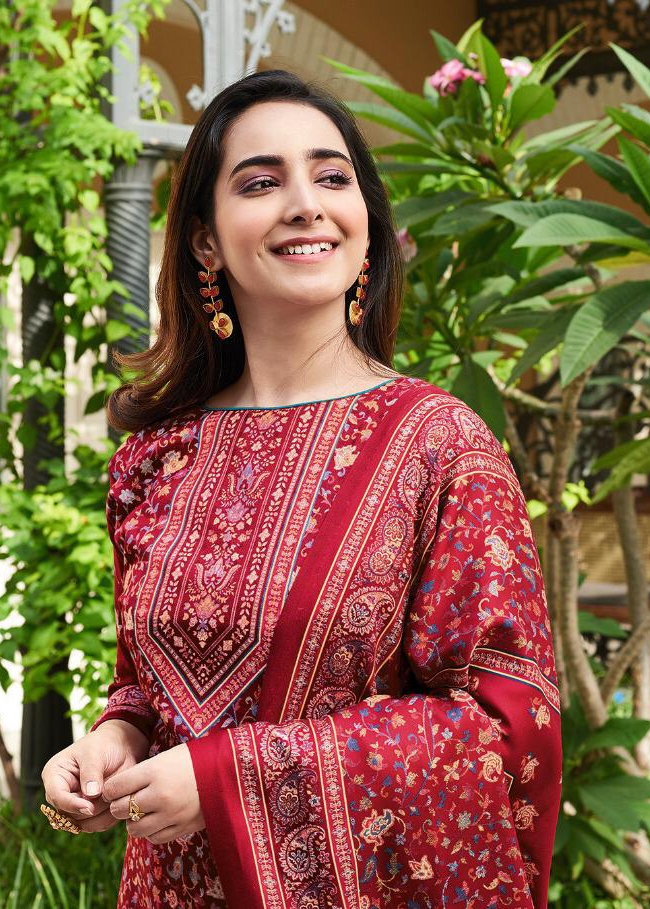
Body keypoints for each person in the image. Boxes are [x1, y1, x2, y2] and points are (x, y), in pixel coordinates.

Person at [39, 69, 562, 908]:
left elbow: (503, 728)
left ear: (367, 224)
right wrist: (116, 733)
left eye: (331, 177)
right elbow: (143, 678)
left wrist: (229, 778)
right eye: (260, 182)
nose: (305, 204)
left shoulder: (442, 446)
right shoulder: (155, 456)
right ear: (205, 242)